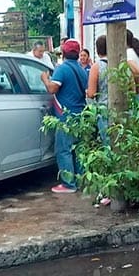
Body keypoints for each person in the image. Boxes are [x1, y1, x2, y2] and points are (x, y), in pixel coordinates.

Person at [41, 39, 88, 193]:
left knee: (63, 150)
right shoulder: (82, 70)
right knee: (77, 149)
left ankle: (68, 184)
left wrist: (45, 79)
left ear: (64, 52)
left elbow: (53, 89)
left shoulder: (62, 69)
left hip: (65, 115)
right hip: (80, 114)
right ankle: (80, 180)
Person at [87, 36, 109, 145]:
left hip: (104, 109)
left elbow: (91, 93)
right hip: (122, 108)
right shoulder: (120, 63)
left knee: (107, 143)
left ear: (97, 50)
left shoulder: (96, 67)